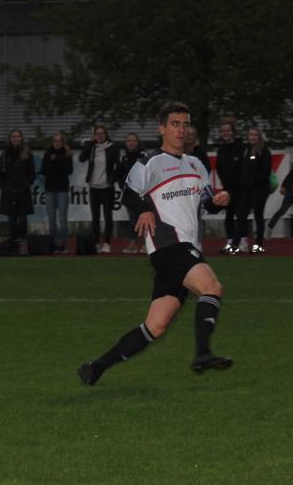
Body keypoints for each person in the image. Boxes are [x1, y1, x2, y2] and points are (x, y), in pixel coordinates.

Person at [78, 102, 233, 386]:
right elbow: (128, 194)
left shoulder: (196, 164)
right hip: (168, 245)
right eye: (175, 124)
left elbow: (207, 203)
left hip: (185, 249)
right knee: (212, 288)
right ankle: (203, 353)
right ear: (162, 128)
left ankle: (95, 368)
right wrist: (144, 209)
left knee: (156, 326)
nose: (181, 130)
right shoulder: (150, 162)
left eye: (185, 124)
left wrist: (218, 201)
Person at [79, 125, 120, 253]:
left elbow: (118, 166)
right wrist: (90, 143)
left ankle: (107, 243)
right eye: (97, 133)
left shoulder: (112, 148)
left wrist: (112, 180)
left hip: (107, 187)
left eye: (102, 133)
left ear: (106, 134)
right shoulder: (92, 147)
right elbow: (82, 158)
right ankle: (96, 242)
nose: (100, 135)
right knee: (95, 217)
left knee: (108, 216)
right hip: (93, 187)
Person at [234, 126, 271, 254]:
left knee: (258, 216)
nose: (253, 137)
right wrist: (243, 183)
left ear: (259, 137)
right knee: (241, 216)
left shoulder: (264, 151)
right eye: (250, 135)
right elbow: (242, 169)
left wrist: (252, 182)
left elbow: (265, 172)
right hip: (246, 189)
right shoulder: (246, 151)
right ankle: (234, 244)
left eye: (255, 135)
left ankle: (258, 245)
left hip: (260, 189)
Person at [0, 129, 35, 242]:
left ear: (21, 138)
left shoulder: (27, 154)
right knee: (11, 220)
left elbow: (32, 173)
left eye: (18, 136)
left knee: (22, 219)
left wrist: (26, 185)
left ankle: (22, 241)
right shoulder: (4, 154)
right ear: (10, 138)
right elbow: (0, 173)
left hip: (23, 192)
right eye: (13, 136)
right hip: (9, 192)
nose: (16, 138)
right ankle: (13, 241)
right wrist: (4, 187)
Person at [40, 131, 74, 254]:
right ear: (52, 142)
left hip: (62, 190)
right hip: (49, 189)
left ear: (62, 142)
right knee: (51, 219)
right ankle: (52, 244)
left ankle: (62, 245)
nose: (57, 143)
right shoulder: (47, 154)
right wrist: (52, 162)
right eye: (55, 141)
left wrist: (57, 161)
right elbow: (44, 170)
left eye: (59, 141)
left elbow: (69, 170)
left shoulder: (67, 154)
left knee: (62, 218)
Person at [214, 117, 244, 254]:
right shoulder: (221, 150)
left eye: (228, 130)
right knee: (229, 216)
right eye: (223, 131)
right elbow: (219, 168)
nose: (226, 133)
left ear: (233, 132)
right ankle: (230, 242)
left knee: (241, 215)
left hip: (241, 189)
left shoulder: (241, 147)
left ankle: (242, 243)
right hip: (227, 189)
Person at [116, 132, 146, 254]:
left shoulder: (144, 156)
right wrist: (122, 186)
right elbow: (118, 174)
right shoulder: (123, 158)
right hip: (129, 193)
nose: (131, 143)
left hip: (142, 193)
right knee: (132, 220)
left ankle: (146, 244)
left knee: (144, 218)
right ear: (126, 143)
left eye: (133, 140)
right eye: (128, 141)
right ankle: (132, 244)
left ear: (137, 142)